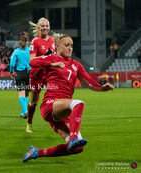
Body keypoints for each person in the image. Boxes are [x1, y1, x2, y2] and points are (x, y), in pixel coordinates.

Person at [23, 33, 114, 162]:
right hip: (50, 104)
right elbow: (33, 62)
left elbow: (89, 82)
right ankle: (73, 138)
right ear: (58, 46)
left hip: (61, 111)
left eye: (71, 45)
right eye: (67, 45)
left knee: (78, 148)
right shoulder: (52, 58)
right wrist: (52, 64)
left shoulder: (76, 65)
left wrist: (101, 87)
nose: (70, 48)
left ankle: (37, 152)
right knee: (78, 104)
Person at [26, 18, 56, 133]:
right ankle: (29, 123)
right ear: (38, 27)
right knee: (34, 102)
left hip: (49, 74)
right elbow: (32, 60)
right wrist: (45, 56)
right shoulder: (35, 41)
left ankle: (55, 121)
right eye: (43, 26)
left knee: (55, 97)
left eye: (47, 26)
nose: (45, 28)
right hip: (37, 74)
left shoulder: (53, 40)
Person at [10, 36, 31, 119]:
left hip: (20, 74)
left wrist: (12, 72)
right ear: (27, 42)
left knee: (21, 93)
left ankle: (25, 111)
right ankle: (23, 112)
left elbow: (12, 64)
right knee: (26, 94)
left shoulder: (16, 51)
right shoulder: (30, 50)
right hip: (29, 74)